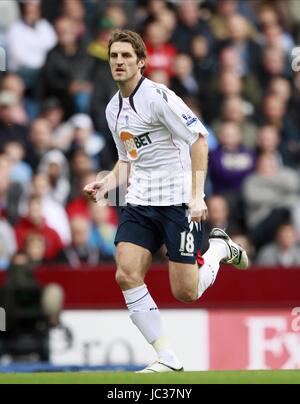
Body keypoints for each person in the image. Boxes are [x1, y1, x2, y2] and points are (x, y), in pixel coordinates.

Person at [84, 30, 248, 373]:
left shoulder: (159, 97)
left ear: (141, 62)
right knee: (126, 273)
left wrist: (196, 195)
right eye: (114, 56)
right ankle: (167, 358)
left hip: (177, 199)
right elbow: (127, 159)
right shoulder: (113, 109)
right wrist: (106, 184)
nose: (118, 61)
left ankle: (219, 249)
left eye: (126, 56)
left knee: (186, 292)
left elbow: (200, 139)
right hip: (141, 200)